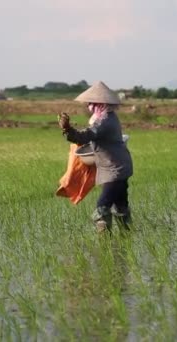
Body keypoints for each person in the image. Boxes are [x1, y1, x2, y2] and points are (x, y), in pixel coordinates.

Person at [58, 81, 133, 233]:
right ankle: (126, 238)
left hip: (114, 170)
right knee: (120, 205)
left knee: (102, 206)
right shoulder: (109, 117)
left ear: (100, 104)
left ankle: (105, 242)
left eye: (92, 103)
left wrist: (67, 129)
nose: (89, 106)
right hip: (118, 166)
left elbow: (86, 136)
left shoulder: (104, 121)